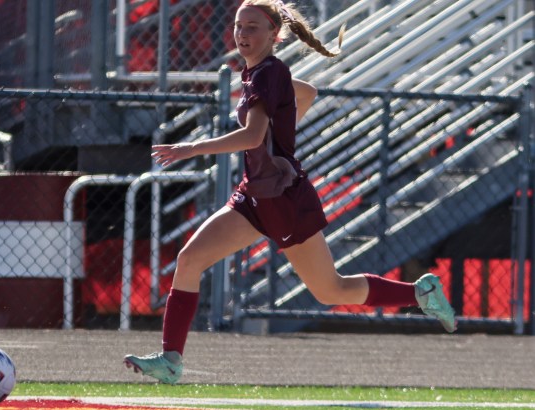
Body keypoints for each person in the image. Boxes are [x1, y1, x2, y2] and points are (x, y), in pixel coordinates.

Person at [124, 0, 456, 385]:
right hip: (255, 195)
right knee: (190, 259)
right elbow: (308, 93)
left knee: (330, 289)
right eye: (238, 26)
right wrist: (283, 121)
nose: (242, 34)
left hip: (282, 199)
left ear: (274, 35)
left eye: (252, 27)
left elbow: (251, 136)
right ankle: (170, 360)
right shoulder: (266, 73)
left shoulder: (265, 75)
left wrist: (190, 149)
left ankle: (421, 293)